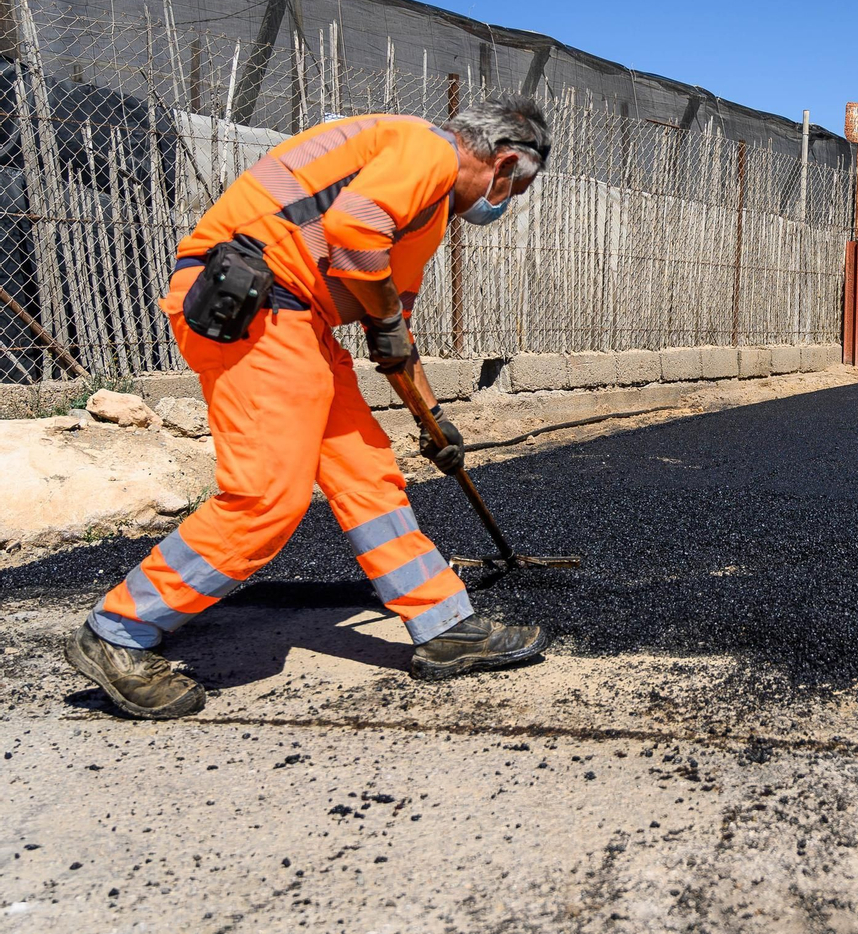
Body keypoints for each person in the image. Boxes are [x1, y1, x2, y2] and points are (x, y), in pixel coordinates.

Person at [64, 95, 553, 720]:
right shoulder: (425, 148)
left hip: (303, 323)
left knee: (368, 474)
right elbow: (356, 233)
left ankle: (444, 625)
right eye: (513, 186)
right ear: (505, 161)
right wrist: (385, 322)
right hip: (253, 299)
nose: (503, 201)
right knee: (266, 498)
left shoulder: (426, 213)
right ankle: (118, 633)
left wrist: (433, 418)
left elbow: (391, 330)